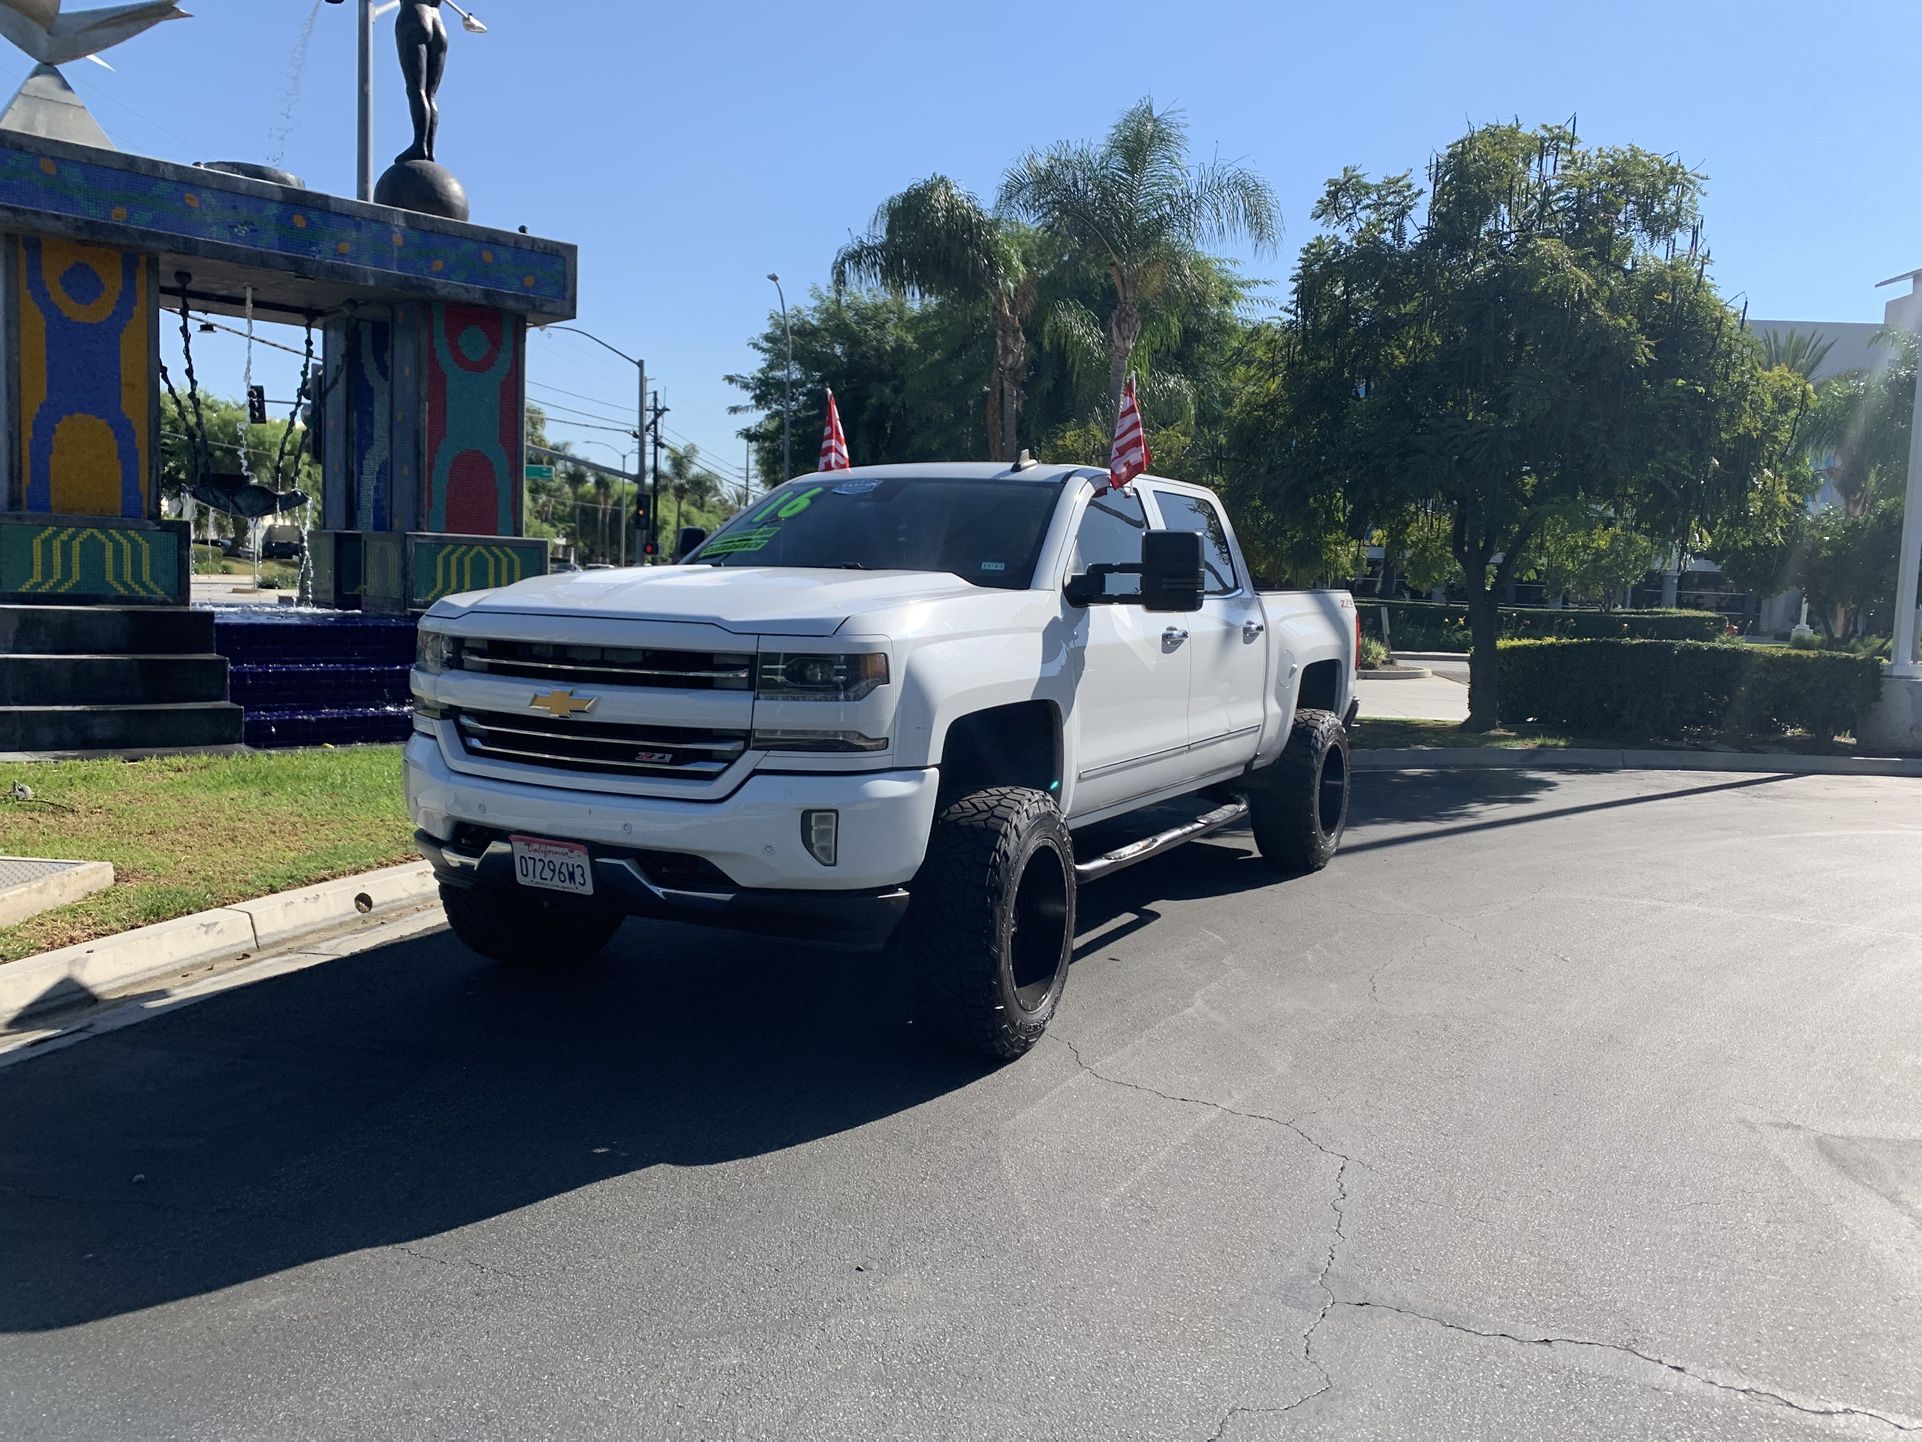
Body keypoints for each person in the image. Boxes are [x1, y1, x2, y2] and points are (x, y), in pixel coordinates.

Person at [395, 0, 447, 164]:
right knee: (429, 94)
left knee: (416, 90)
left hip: (414, 16)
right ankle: (428, 148)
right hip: (438, 23)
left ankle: (420, 145)